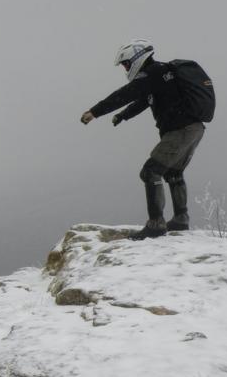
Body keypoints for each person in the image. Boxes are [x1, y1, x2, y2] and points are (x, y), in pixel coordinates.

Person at [80, 39, 206, 240]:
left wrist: (94, 112)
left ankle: (156, 225)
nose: (125, 68)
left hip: (180, 130)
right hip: (194, 128)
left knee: (150, 172)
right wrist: (123, 116)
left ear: (137, 58)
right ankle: (181, 220)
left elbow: (124, 94)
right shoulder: (163, 74)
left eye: (126, 64)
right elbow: (145, 100)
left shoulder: (152, 73)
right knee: (173, 173)